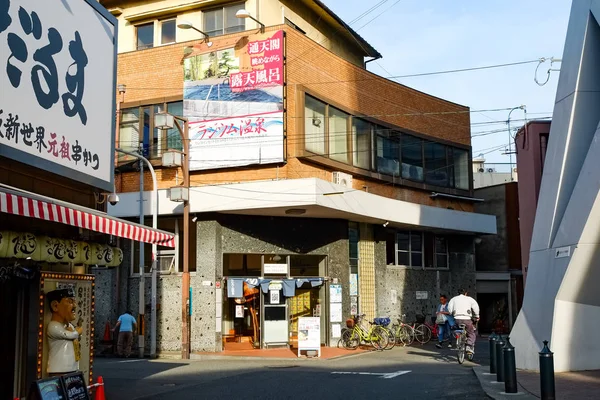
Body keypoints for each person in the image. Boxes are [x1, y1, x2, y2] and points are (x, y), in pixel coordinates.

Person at [46, 288, 82, 375]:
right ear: (55, 306)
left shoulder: (69, 326)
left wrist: (76, 333)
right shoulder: (53, 326)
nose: (75, 306)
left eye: (74, 302)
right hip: (59, 369)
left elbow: (76, 337)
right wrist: (77, 332)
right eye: (70, 302)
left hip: (73, 368)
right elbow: (68, 335)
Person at [448, 288, 480, 355]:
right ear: (465, 293)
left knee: (457, 328)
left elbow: (449, 309)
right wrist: (477, 315)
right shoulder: (469, 299)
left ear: (458, 293)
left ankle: (458, 338)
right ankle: (469, 346)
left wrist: (452, 312)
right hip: (467, 319)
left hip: (457, 319)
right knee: (471, 332)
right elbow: (476, 307)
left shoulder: (453, 299)